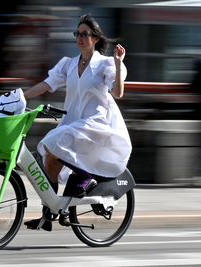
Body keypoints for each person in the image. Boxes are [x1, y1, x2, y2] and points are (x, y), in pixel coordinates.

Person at [23, 14, 132, 231]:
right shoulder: (69, 64)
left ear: (96, 39)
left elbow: (118, 93)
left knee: (49, 143)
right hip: (73, 122)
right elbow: (47, 84)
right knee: (50, 162)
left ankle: (86, 177)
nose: (80, 38)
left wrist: (119, 65)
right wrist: (21, 97)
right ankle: (49, 214)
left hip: (95, 124)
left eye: (85, 34)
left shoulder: (104, 65)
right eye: (77, 34)